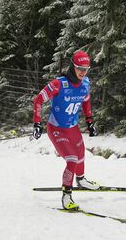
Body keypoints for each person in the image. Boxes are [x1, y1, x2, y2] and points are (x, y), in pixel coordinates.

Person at [32, 50, 100, 210]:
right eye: (79, 68)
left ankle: (81, 180)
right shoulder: (59, 84)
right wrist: (37, 123)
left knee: (81, 154)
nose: (83, 72)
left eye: (86, 69)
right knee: (72, 159)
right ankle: (66, 196)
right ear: (72, 66)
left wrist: (90, 122)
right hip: (56, 129)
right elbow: (38, 100)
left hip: (73, 127)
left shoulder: (85, 83)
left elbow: (86, 102)